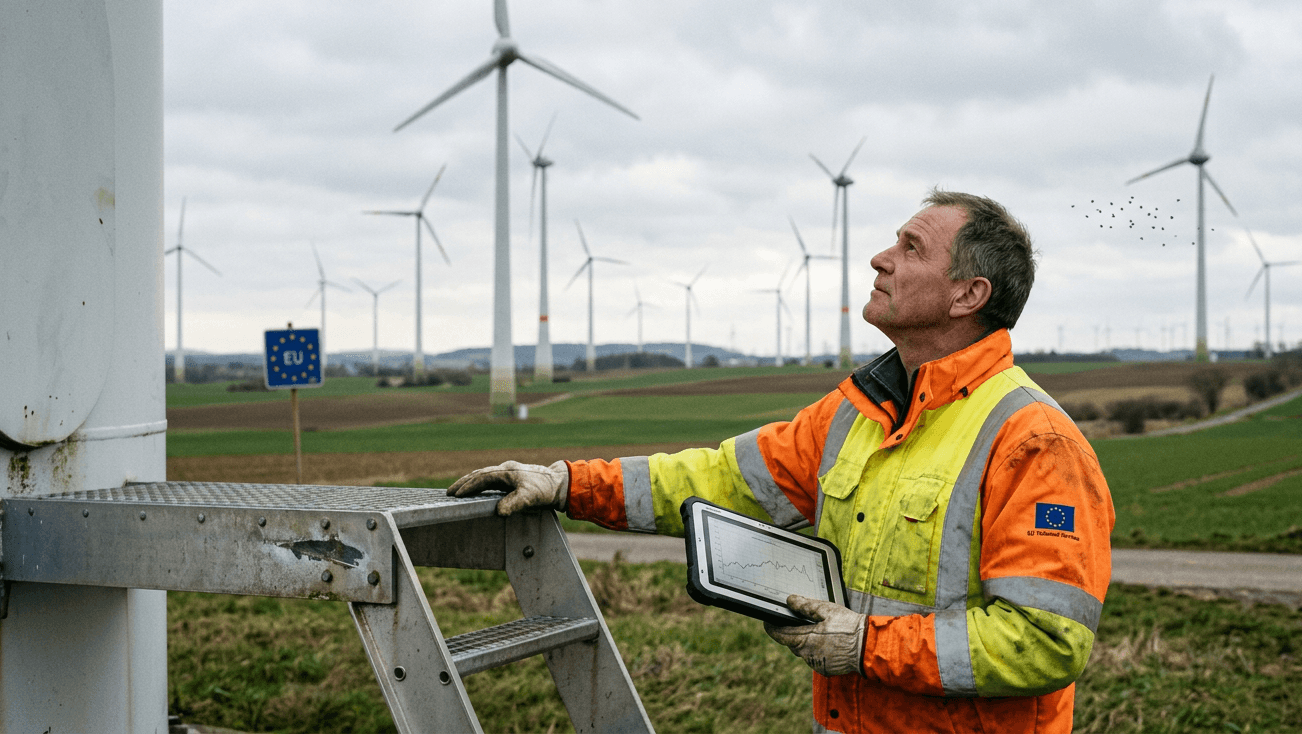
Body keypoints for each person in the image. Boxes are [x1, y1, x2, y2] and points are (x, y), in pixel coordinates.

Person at [449, 189, 1115, 733]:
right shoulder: (858, 413)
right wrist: (567, 483)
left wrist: (867, 645)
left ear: (968, 295)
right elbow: (716, 479)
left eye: (910, 248)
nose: (880, 258)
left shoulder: (1032, 442)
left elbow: (1047, 638)